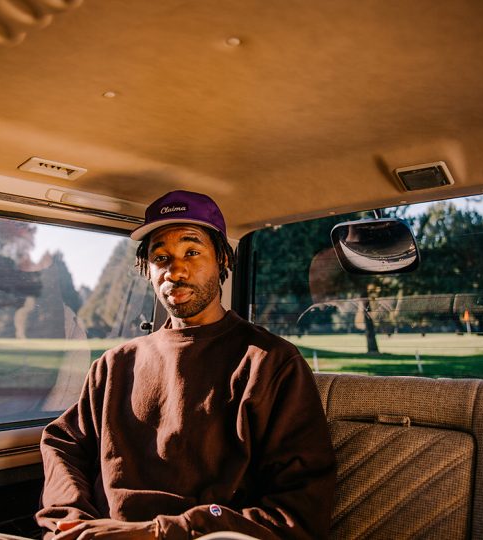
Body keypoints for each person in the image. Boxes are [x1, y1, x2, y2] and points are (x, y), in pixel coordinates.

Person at [35, 191, 336, 540]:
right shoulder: (114, 365)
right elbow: (63, 443)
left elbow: (298, 508)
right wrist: (69, 520)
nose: (175, 270)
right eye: (161, 257)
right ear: (147, 270)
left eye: (192, 252)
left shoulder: (269, 363)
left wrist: (160, 532)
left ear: (223, 259)